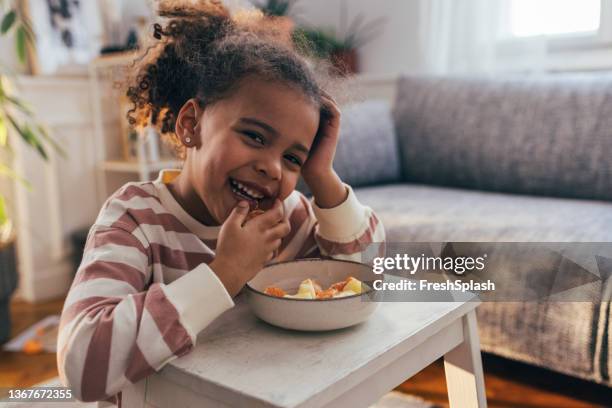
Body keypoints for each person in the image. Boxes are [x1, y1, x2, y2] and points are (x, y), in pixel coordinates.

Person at [57, 1, 385, 406]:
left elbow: (370, 273)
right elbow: (82, 365)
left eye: (292, 158)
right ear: (192, 125)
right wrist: (225, 273)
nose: (271, 168)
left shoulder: (285, 218)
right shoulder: (136, 220)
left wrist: (322, 178)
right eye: (255, 136)